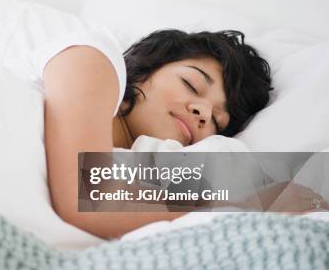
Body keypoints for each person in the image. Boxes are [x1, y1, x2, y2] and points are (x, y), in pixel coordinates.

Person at [41, 29, 328, 240]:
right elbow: (91, 198)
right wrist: (249, 207)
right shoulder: (93, 56)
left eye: (217, 119)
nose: (203, 111)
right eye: (191, 84)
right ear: (143, 68)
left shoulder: (142, 171)